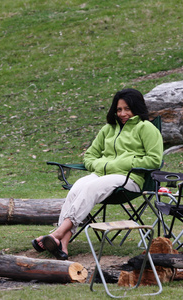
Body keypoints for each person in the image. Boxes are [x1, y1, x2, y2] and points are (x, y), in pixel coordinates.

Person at [32, 88, 163, 260]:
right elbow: (89, 156)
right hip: (103, 175)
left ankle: (57, 233)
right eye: (119, 109)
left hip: (129, 179)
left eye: (127, 109)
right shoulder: (109, 129)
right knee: (77, 188)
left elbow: (154, 160)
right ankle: (63, 244)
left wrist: (121, 163)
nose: (122, 113)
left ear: (136, 108)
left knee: (91, 187)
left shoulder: (146, 128)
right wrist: (102, 165)